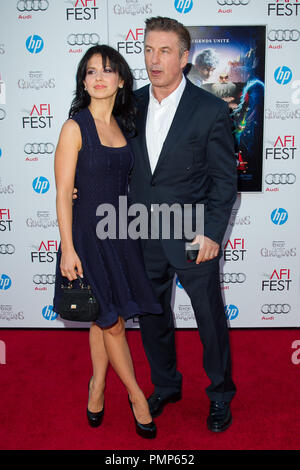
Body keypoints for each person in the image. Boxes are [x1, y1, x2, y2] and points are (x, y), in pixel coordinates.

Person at [128, 17, 237, 433]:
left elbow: (225, 180)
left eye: (165, 51)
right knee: (153, 317)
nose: (155, 60)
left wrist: (211, 233)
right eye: (149, 49)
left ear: (184, 57)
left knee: (209, 317)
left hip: (194, 234)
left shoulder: (209, 109)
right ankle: (166, 385)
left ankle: (221, 394)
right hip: (142, 233)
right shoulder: (130, 104)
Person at [53, 44, 163, 439]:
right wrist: (67, 248)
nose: (98, 77)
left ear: (120, 79)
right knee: (114, 323)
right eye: (90, 71)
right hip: (86, 237)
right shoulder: (74, 126)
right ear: (84, 81)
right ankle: (136, 396)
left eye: (107, 70)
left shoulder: (123, 126)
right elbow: (64, 192)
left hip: (120, 232)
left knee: (105, 314)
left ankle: (96, 385)